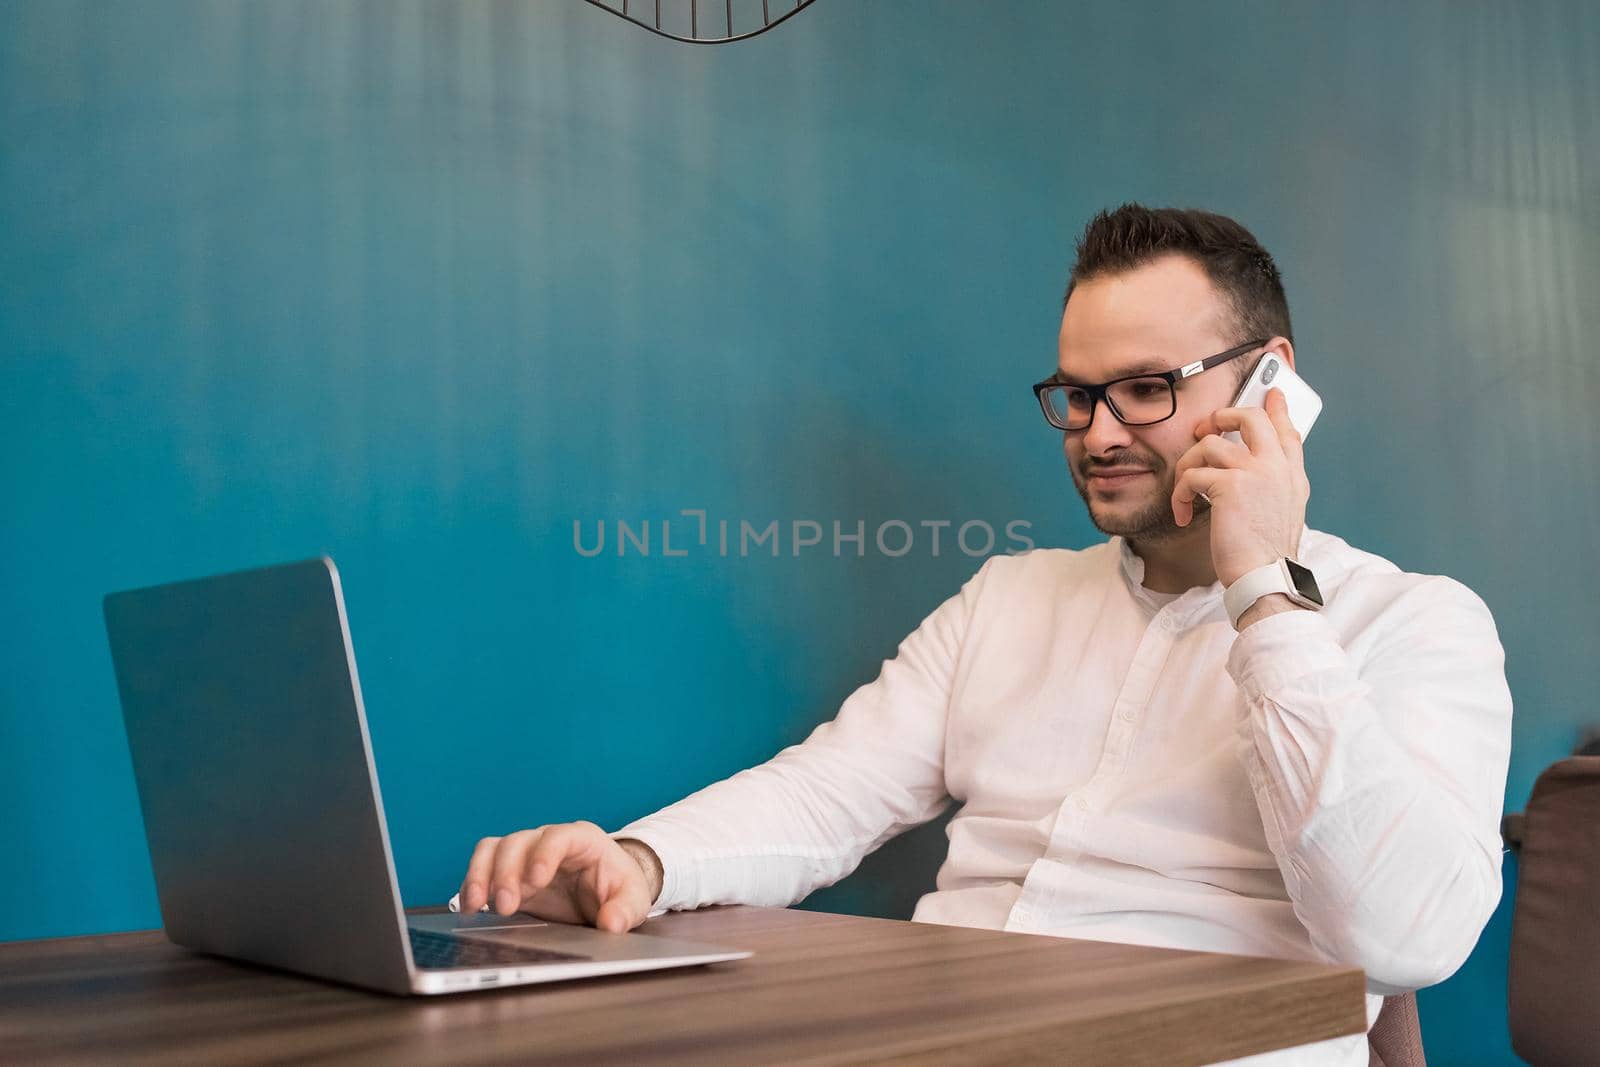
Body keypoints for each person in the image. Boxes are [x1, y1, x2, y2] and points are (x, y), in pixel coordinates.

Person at [457, 204, 1513, 1066]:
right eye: (1078, 395)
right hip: (936, 1038)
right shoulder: (1008, 597)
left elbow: (1406, 934)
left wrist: (1264, 590)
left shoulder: (1416, 622)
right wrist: (639, 860)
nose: (1099, 432)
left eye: (1147, 388)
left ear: (1269, 383)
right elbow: (829, 792)